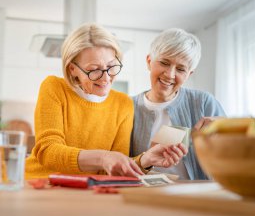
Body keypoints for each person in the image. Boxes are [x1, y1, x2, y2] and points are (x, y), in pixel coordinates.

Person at [25, 23, 187, 179]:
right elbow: (48, 151)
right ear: (72, 69)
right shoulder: (54, 87)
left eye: (112, 66)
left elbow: (111, 170)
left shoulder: (123, 103)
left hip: (86, 191)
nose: (106, 78)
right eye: (94, 70)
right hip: (41, 183)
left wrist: (146, 159)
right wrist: (103, 157)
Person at [131, 28, 226, 180]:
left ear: (189, 74)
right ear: (149, 61)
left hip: (195, 195)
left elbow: (233, 153)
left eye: (181, 69)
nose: (170, 74)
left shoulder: (203, 102)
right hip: (144, 195)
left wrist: (224, 129)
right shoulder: (128, 107)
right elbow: (118, 164)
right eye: (164, 63)